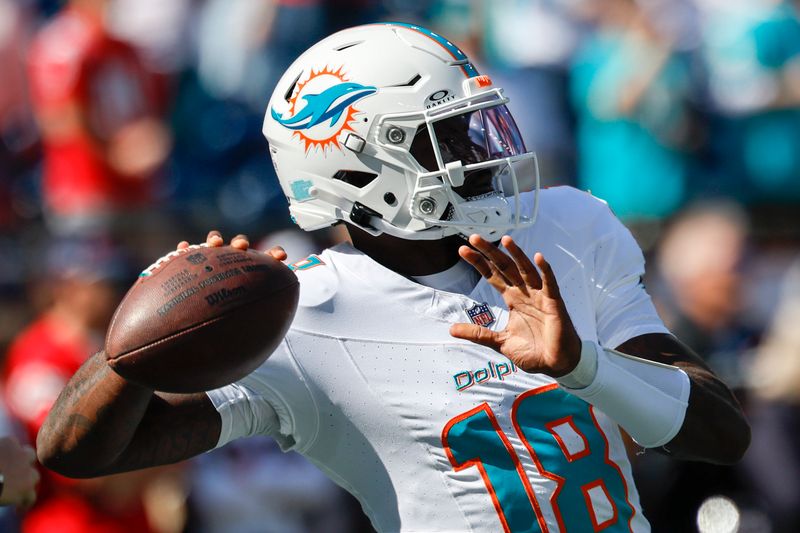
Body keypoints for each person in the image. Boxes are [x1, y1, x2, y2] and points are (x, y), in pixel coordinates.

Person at [37, 23, 749, 532]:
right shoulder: (305, 314)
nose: (479, 150)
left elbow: (721, 432)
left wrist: (584, 367)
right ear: (357, 172)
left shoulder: (565, 227)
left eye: (474, 125)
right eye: (446, 137)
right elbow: (76, 452)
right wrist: (143, 341)